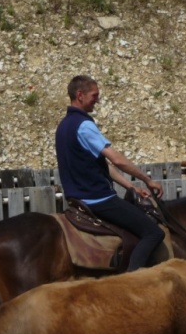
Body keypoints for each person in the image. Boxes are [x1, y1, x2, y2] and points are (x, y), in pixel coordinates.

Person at [55, 75, 166, 272]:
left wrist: (131, 187)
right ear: (79, 95)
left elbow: (102, 165)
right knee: (153, 233)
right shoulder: (84, 125)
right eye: (94, 95)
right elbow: (117, 160)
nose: (97, 100)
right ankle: (132, 280)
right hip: (98, 200)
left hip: (78, 200)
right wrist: (147, 180)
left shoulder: (63, 126)